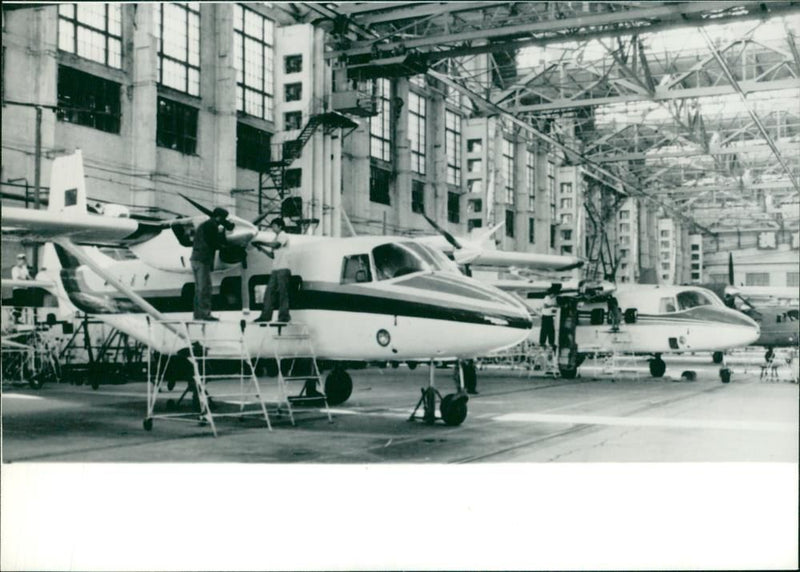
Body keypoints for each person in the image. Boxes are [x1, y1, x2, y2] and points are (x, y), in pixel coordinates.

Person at [190, 207, 229, 321]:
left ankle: (197, 314)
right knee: (205, 288)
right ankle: (205, 314)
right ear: (219, 217)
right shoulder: (212, 225)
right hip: (203, 259)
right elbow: (214, 242)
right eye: (223, 218)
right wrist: (224, 243)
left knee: (198, 289)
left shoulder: (203, 225)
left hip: (195, 258)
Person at [255, 218, 291, 323]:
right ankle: (266, 316)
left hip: (283, 268)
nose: (272, 228)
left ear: (280, 226)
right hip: (276, 268)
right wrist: (261, 248)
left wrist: (261, 242)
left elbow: (276, 245)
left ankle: (284, 316)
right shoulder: (276, 237)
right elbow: (272, 255)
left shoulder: (283, 235)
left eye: (274, 226)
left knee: (282, 293)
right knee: (269, 292)